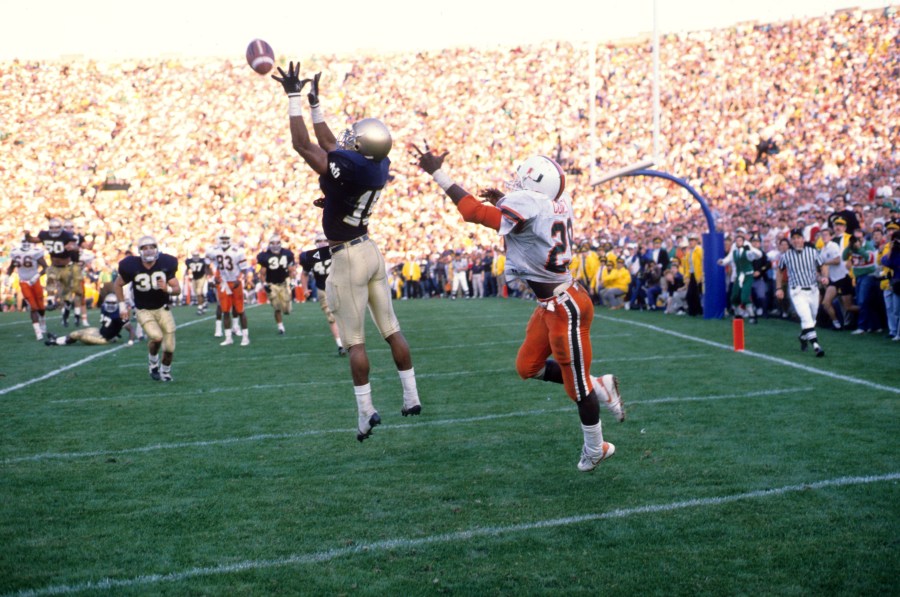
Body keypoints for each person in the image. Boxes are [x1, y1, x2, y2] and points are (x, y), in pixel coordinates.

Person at [414, 144, 624, 473]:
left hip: (565, 306)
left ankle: (597, 448)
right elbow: (529, 220)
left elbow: (473, 213)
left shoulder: (532, 206)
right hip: (552, 303)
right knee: (528, 367)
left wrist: (438, 174)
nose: (517, 187)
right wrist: (502, 199)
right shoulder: (556, 201)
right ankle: (600, 385)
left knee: (578, 389)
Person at [273, 62, 421, 441]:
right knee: (392, 329)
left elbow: (306, 145)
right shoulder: (378, 164)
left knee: (354, 341)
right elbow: (334, 148)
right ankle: (411, 396)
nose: (348, 139)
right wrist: (316, 106)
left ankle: (365, 412)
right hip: (370, 249)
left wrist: (294, 99)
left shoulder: (351, 167)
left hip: (348, 257)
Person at [114, 236, 181, 380]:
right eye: (145, 248)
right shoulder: (131, 265)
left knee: (169, 347)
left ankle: (165, 371)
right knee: (157, 337)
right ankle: (153, 363)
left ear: (156, 249)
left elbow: (177, 289)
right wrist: (122, 306)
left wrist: (167, 289)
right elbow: (117, 284)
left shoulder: (166, 263)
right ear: (140, 251)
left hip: (162, 308)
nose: (149, 251)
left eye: (151, 247)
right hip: (143, 310)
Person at [774, 228, 828, 357]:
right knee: (806, 318)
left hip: (813, 289)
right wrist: (779, 288)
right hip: (797, 291)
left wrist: (825, 277)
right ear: (791, 241)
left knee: (812, 319)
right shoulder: (786, 255)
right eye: (794, 238)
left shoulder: (812, 252)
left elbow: (823, 265)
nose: (796, 240)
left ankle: (803, 337)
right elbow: (779, 271)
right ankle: (816, 346)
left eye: (798, 237)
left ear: (803, 239)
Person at [298, 232, 347, 356]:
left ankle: (348, 340)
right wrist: (305, 289)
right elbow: (304, 274)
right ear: (315, 243)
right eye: (319, 240)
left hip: (340, 287)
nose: (322, 243)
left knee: (345, 314)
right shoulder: (310, 256)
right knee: (331, 316)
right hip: (323, 290)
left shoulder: (338, 251)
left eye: (324, 240)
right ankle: (340, 345)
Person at [27, 218, 77, 313]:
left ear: (60, 227)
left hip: (66, 267)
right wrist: (27, 234)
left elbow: (74, 245)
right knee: (50, 281)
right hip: (54, 265)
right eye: (52, 227)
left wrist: (72, 247)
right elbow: (33, 240)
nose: (54, 230)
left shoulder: (66, 235)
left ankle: (65, 303)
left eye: (56, 227)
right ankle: (50, 301)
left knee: (64, 289)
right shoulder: (44, 234)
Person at [45, 294, 135, 347]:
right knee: (77, 332)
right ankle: (58, 339)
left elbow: (131, 329)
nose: (110, 305)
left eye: (113, 303)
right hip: (100, 331)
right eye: (109, 303)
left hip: (104, 339)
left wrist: (130, 341)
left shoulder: (119, 314)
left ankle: (55, 342)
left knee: (78, 335)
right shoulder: (103, 307)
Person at [210, 230, 250, 346]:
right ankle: (228, 338)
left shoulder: (237, 251)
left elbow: (244, 268)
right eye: (222, 238)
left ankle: (245, 337)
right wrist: (214, 277)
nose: (224, 241)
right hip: (223, 283)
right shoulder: (215, 251)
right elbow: (214, 266)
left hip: (235, 282)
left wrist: (240, 279)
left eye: (226, 238)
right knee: (225, 311)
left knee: (240, 310)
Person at [6, 238, 48, 340]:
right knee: (33, 307)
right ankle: (38, 332)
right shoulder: (16, 252)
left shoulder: (35, 252)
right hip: (24, 282)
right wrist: (7, 276)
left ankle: (42, 320)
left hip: (35, 281)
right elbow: (11, 267)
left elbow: (46, 267)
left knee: (41, 307)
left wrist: (36, 276)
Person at [717, 231, 762, 322]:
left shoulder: (747, 250)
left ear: (743, 241)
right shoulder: (734, 250)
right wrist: (722, 262)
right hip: (738, 275)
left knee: (744, 297)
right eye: (737, 240)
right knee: (734, 297)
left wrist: (751, 249)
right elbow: (728, 258)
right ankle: (738, 314)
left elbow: (758, 255)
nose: (738, 242)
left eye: (740, 240)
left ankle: (752, 316)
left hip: (748, 275)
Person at [256, 234, 296, 335]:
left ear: (280, 243)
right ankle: (280, 327)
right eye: (273, 243)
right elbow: (261, 273)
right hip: (271, 284)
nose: (275, 245)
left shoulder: (287, 253)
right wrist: (264, 284)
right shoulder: (264, 256)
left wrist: (292, 281)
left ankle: (287, 305)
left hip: (284, 282)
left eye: (277, 243)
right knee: (276, 307)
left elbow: (292, 269)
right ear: (269, 244)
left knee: (287, 310)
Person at [880, 228, 900, 341]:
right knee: (893, 309)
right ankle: (894, 331)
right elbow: (885, 261)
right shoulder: (892, 250)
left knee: (897, 309)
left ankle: (897, 333)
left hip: (895, 282)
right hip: (894, 283)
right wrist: (891, 249)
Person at [184, 249, 210, 314]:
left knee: (199, 292)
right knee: (197, 293)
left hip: (202, 277)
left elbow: (207, 268)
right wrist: (186, 274)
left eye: (197, 255)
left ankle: (200, 308)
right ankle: (204, 303)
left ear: (199, 255)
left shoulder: (203, 260)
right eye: (194, 255)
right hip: (194, 278)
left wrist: (208, 276)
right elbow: (187, 268)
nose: (195, 257)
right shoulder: (189, 261)